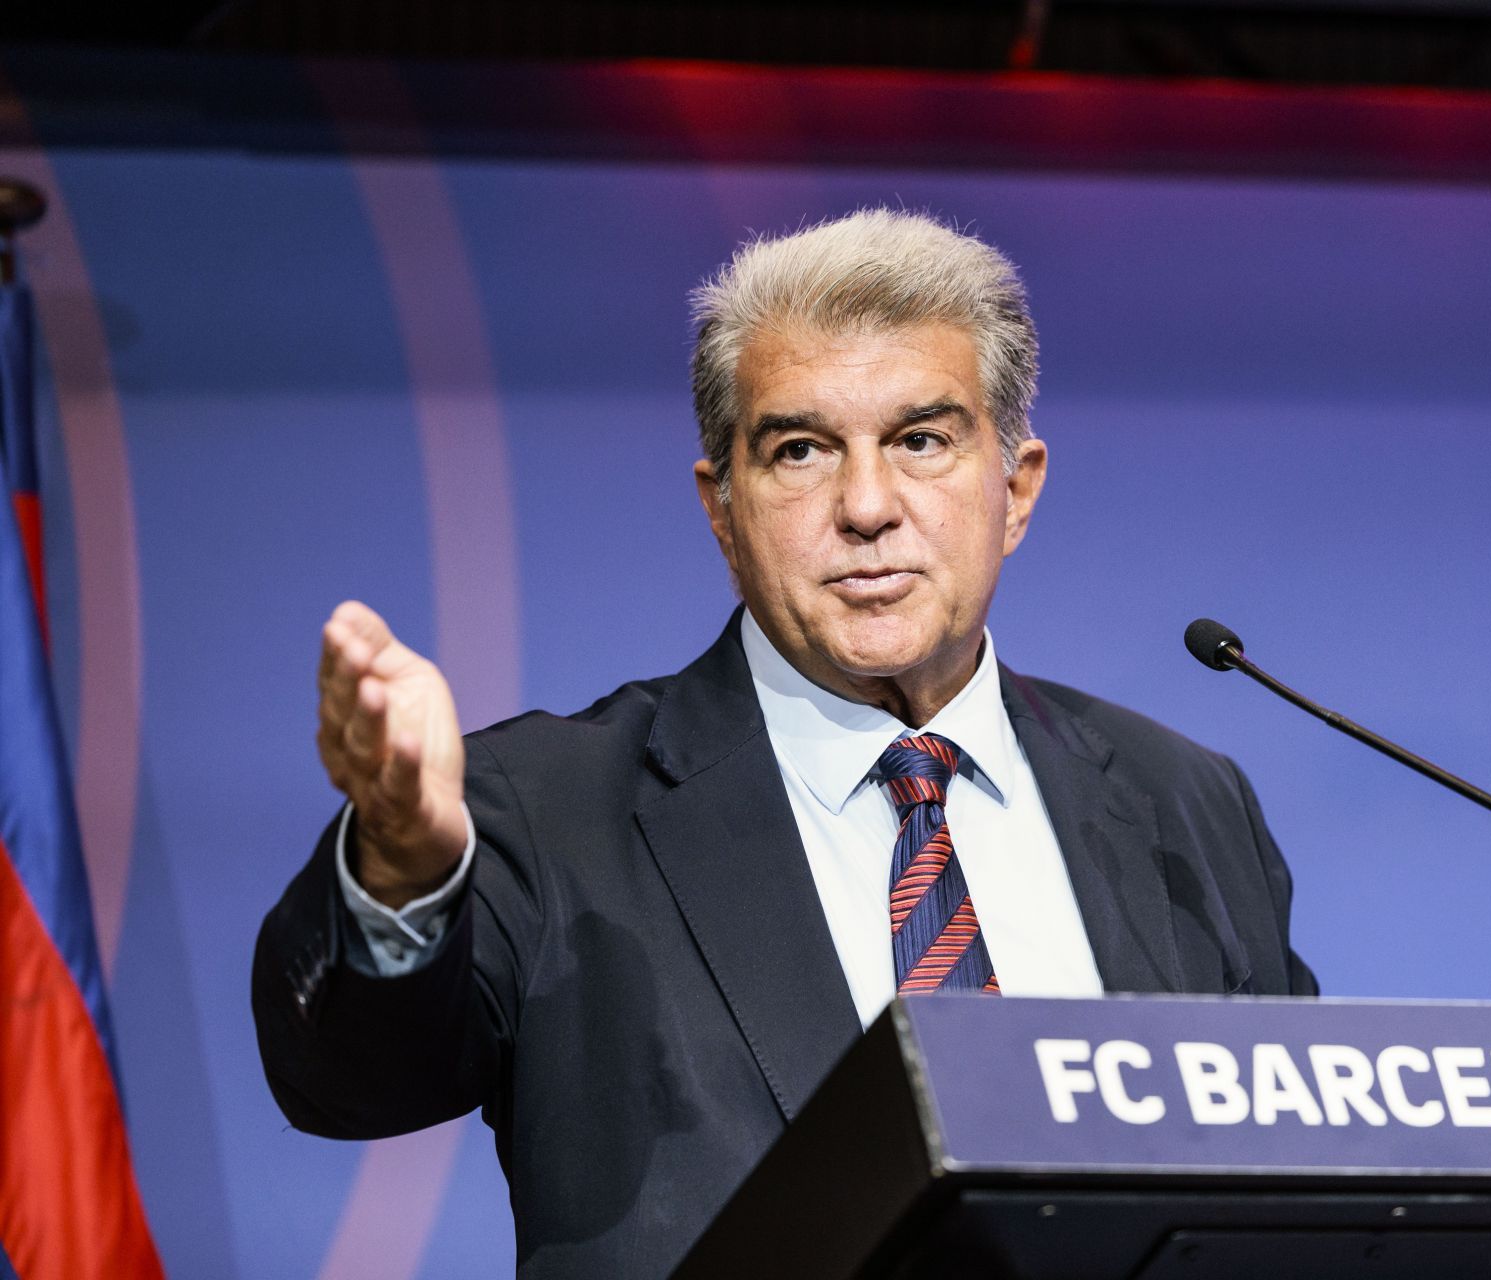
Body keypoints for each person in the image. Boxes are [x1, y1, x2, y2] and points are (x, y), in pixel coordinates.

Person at [253, 209, 1315, 1279]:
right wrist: (400, 868)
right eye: (800, 450)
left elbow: (1292, 1202)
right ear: (723, 506)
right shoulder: (545, 808)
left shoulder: (1184, 800)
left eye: (921, 440)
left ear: (1017, 487)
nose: (865, 506)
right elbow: (348, 1078)